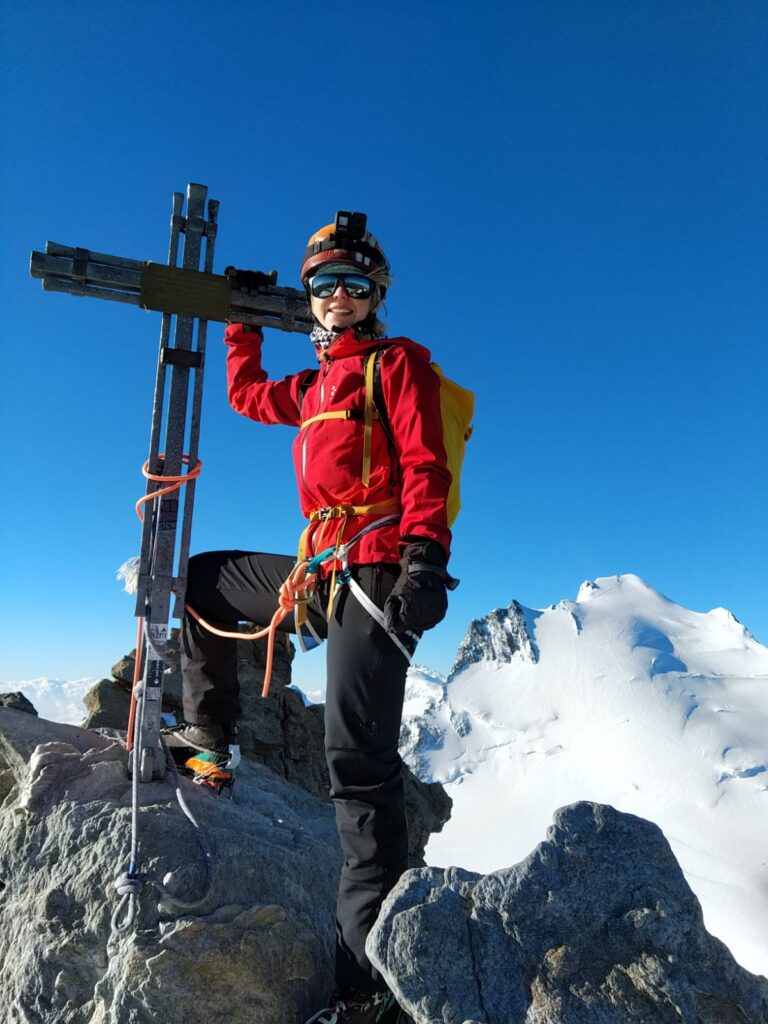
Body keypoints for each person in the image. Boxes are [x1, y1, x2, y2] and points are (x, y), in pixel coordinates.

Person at [164, 212, 455, 1024]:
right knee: (202, 583)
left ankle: (366, 979)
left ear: (376, 294)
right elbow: (249, 397)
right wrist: (242, 324)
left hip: (376, 567)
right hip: (318, 567)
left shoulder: (394, 365)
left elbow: (426, 462)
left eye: (353, 284)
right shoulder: (318, 383)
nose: (336, 296)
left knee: (358, 767)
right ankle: (207, 734)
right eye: (322, 283)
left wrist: (425, 559)